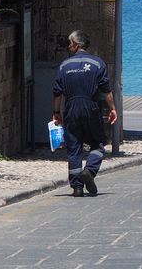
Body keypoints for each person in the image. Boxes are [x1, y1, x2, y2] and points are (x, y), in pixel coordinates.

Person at [52, 30, 117, 197]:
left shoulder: (64, 65)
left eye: (70, 43)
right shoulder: (97, 63)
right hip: (91, 107)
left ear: (77, 45)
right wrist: (112, 109)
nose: (68, 46)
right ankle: (89, 170)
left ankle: (77, 187)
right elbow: (106, 90)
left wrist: (56, 112)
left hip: (71, 108)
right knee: (98, 144)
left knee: (74, 147)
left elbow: (57, 92)